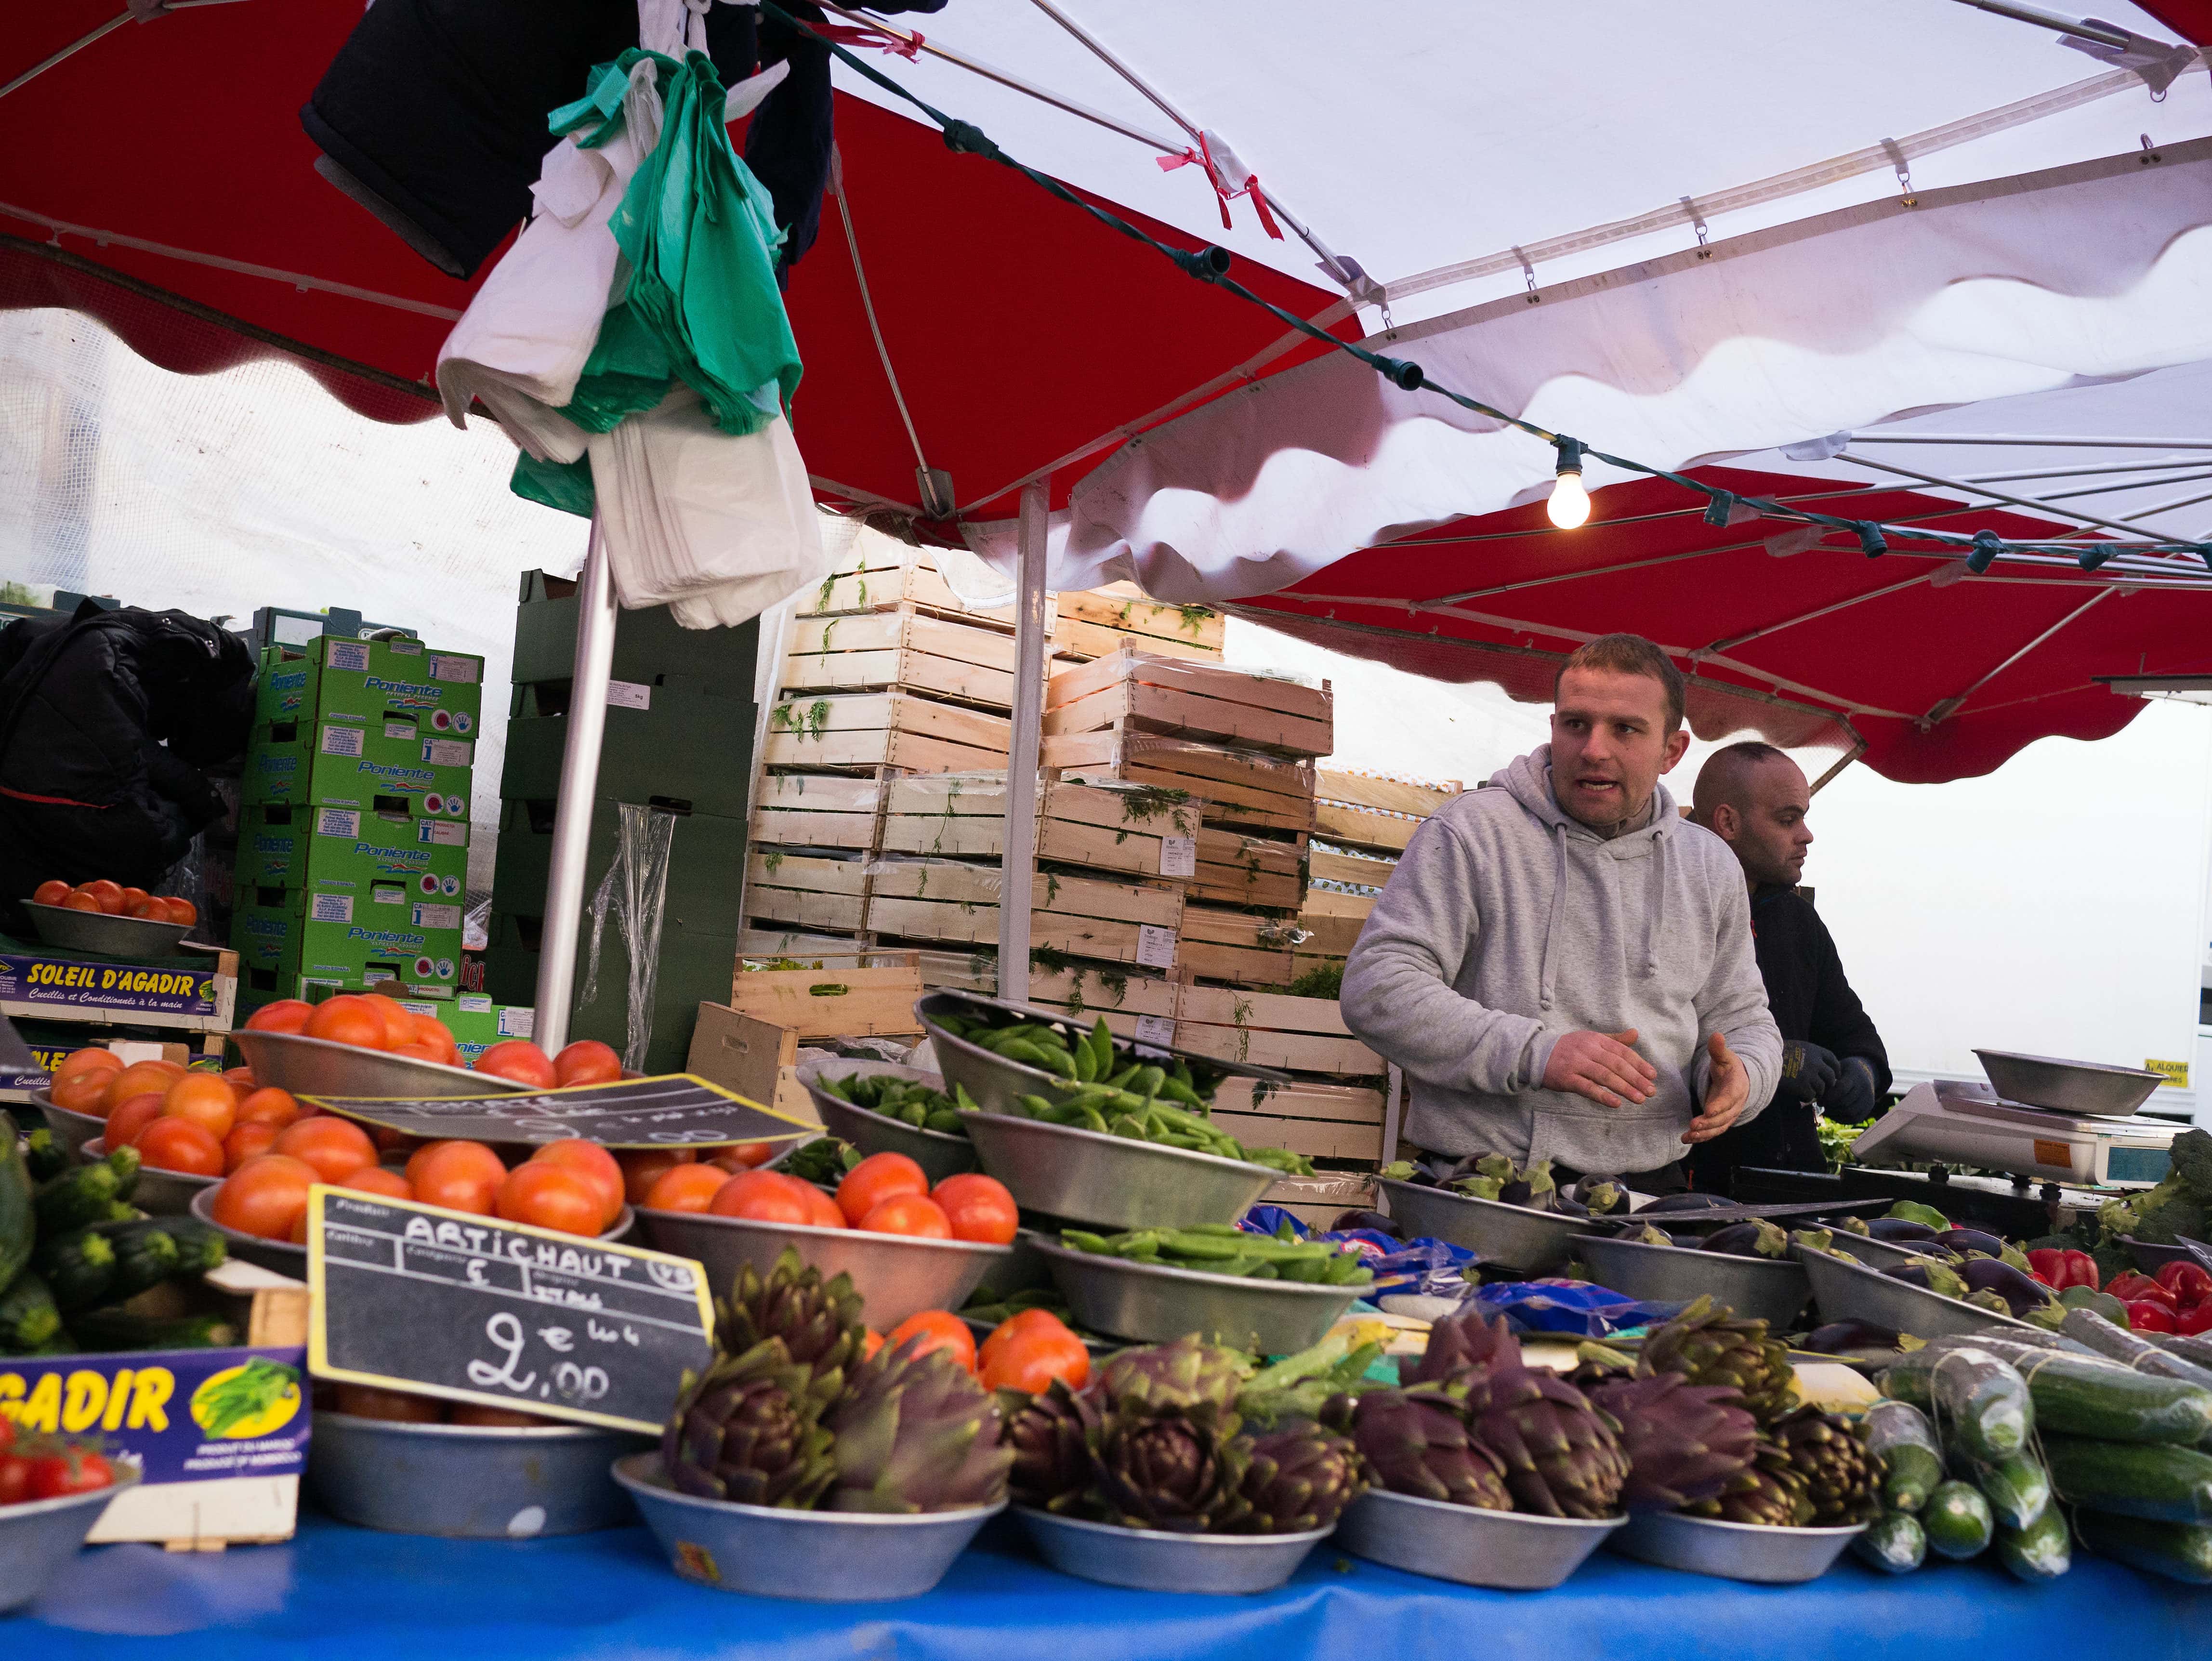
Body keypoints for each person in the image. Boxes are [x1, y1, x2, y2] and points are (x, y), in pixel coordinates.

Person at [1340, 633, 1780, 1193]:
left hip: (1649, 1192)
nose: (1593, 748)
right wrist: (1535, 1051)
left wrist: (1743, 1075)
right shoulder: (1471, 832)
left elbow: (1741, 1017)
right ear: (1553, 727)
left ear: (1672, 750)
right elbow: (1378, 988)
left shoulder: (1710, 866)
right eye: (1576, 724)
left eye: (1624, 728)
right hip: (1482, 1184)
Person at [1683, 741, 1889, 1188]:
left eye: (1805, 817)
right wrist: (1774, 1064)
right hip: (1688, 1187)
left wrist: (1863, 1074)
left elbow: (1854, 1033)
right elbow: (1646, 1047)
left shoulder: (1798, 920)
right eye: (1787, 819)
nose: (1807, 834)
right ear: (1728, 823)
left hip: (1791, 1183)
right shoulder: (1667, 905)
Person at [0, 602, 254, 934]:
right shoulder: (110, 656)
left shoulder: (75, 635)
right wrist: (203, 799)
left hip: (16, 815)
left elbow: (121, 740)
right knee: (157, 833)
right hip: (76, 819)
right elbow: (129, 758)